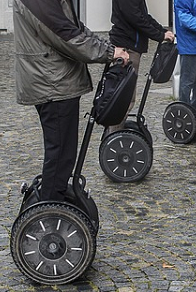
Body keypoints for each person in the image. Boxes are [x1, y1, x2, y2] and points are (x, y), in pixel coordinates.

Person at [13, 0, 129, 201]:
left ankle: (55, 197)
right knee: (60, 154)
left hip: (55, 80)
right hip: (51, 82)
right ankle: (49, 208)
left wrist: (108, 47)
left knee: (63, 153)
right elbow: (65, 34)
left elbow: (75, 28)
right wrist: (109, 53)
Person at [108, 0, 175, 133]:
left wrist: (162, 30)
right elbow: (134, 17)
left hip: (131, 45)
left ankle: (115, 134)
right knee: (124, 98)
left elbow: (144, 15)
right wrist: (159, 35)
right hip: (126, 47)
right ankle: (114, 136)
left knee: (126, 97)